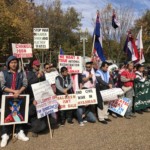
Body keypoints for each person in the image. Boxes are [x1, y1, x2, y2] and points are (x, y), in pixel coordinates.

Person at [0, 56, 29, 147]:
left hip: (19, 97)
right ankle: (5, 135)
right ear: (8, 63)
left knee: (19, 114)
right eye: (12, 62)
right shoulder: (3, 73)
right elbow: (2, 86)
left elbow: (25, 84)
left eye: (15, 62)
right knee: (6, 115)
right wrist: (13, 91)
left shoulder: (21, 73)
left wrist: (19, 91)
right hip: (7, 98)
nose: (14, 64)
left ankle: (19, 132)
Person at [27, 59, 46, 137]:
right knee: (31, 113)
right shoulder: (29, 73)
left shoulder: (40, 73)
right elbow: (29, 83)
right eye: (36, 65)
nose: (38, 66)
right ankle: (32, 128)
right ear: (33, 65)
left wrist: (42, 76)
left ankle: (37, 126)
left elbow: (44, 83)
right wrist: (37, 77)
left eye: (39, 65)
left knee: (43, 124)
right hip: (32, 98)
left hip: (40, 96)